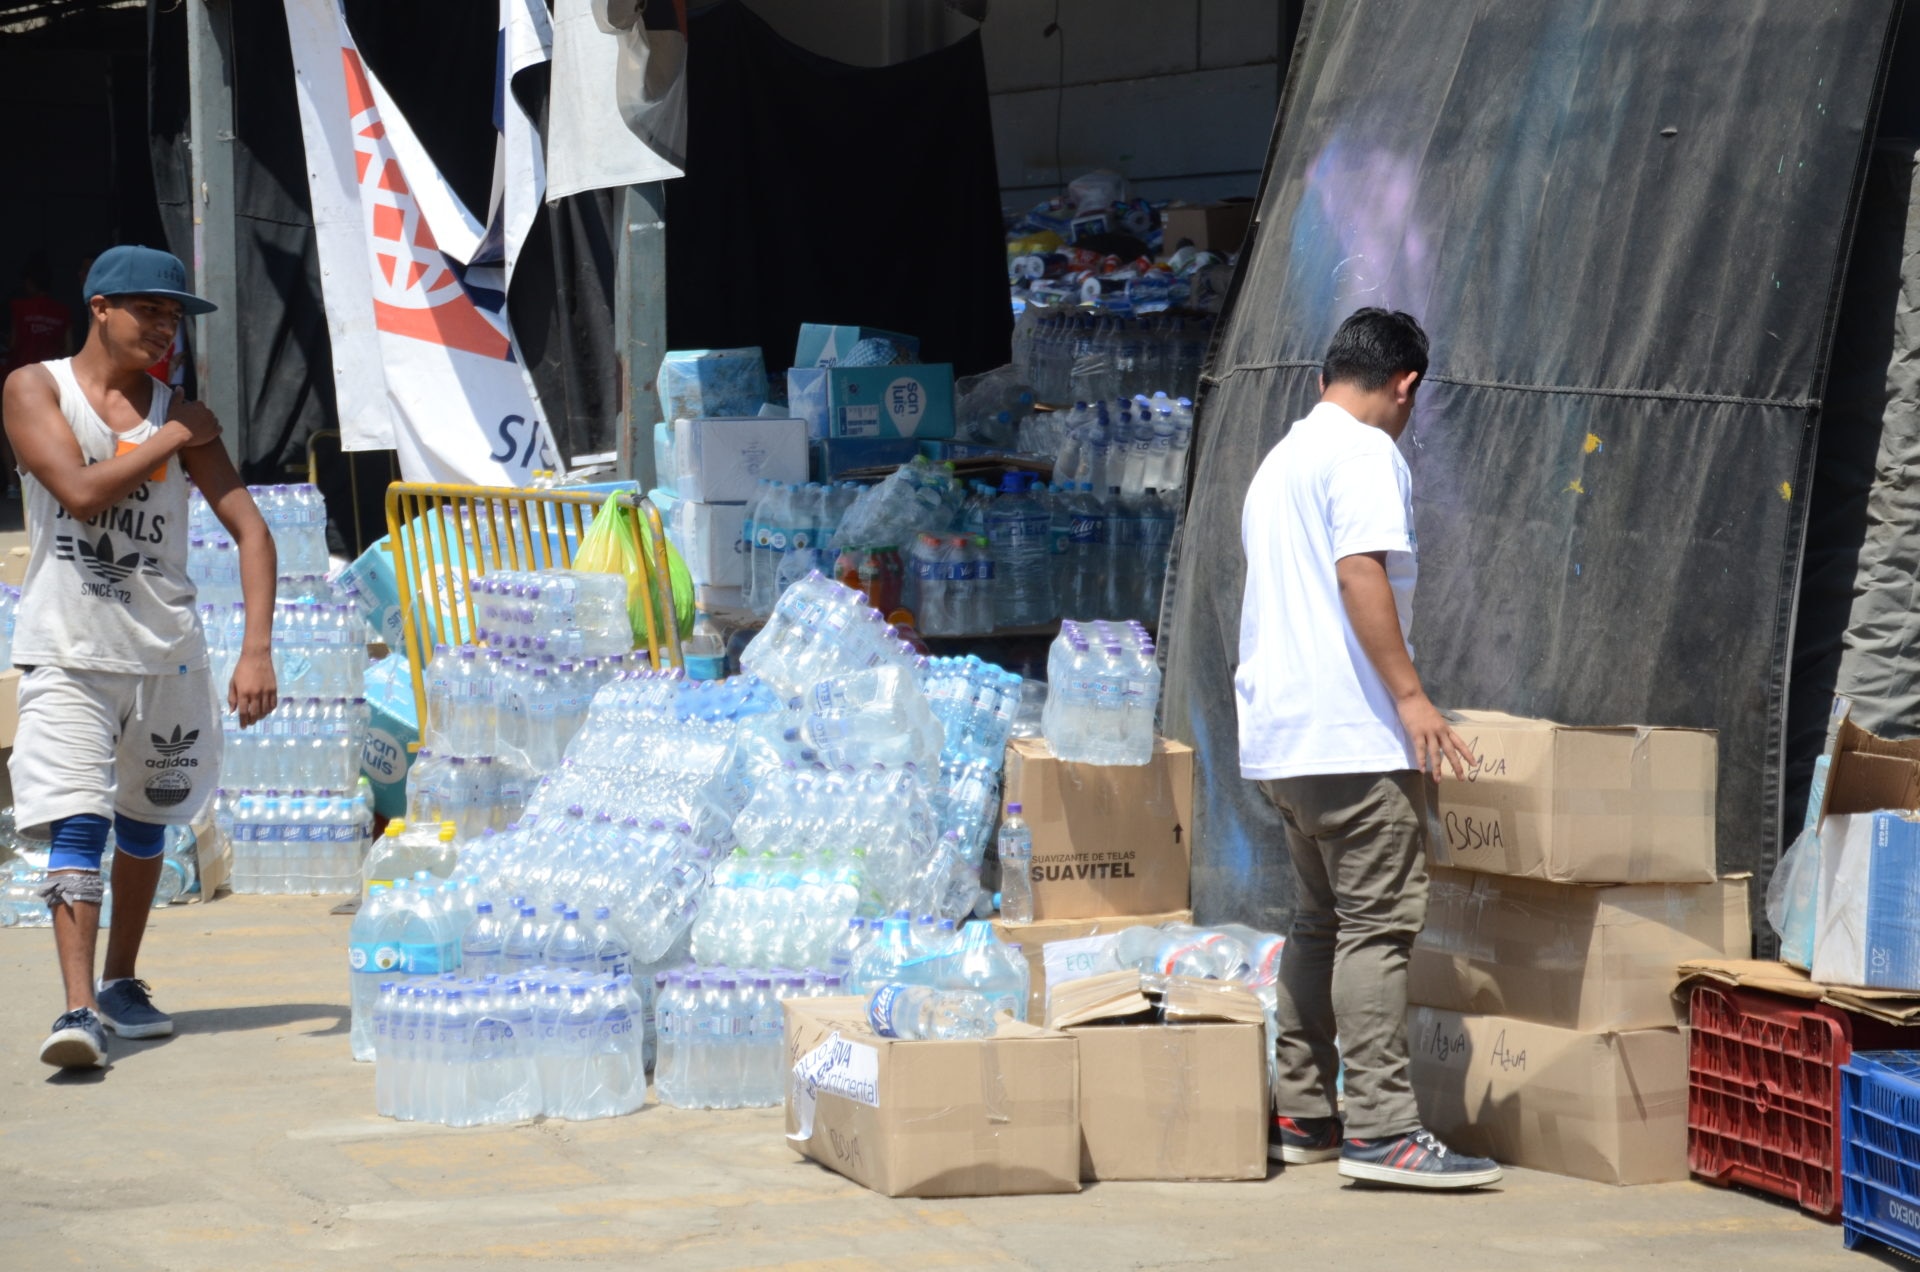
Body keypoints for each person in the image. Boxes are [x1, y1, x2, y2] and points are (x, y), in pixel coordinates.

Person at [1235, 307, 1499, 1189]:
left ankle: (1304, 1112)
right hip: (1346, 734)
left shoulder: (1281, 461)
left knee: (1318, 924)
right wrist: (1413, 698)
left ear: (1322, 377)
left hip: (1283, 742)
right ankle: (1383, 1129)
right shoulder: (1364, 453)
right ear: (1406, 385)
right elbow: (1360, 571)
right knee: (1378, 929)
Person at [0, 245, 278, 1070]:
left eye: (174, 317)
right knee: (77, 819)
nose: (164, 329)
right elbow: (81, 491)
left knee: (147, 816)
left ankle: (121, 981)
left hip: (166, 656)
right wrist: (174, 437)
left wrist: (256, 649)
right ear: (100, 307)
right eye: (150, 310)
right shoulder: (34, 387)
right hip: (69, 650)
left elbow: (253, 532)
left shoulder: (178, 412)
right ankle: (78, 1008)